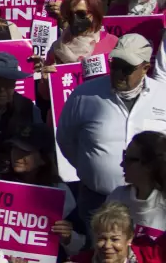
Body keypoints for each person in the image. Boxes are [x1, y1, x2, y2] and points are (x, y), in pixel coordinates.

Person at [59, 33, 166, 222]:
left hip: (152, 205)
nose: (118, 73)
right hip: (97, 201)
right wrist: (92, 168)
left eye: (127, 69)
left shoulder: (162, 96)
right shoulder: (84, 95)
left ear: (145, 68)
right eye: (115, 65)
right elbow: (66, 139)